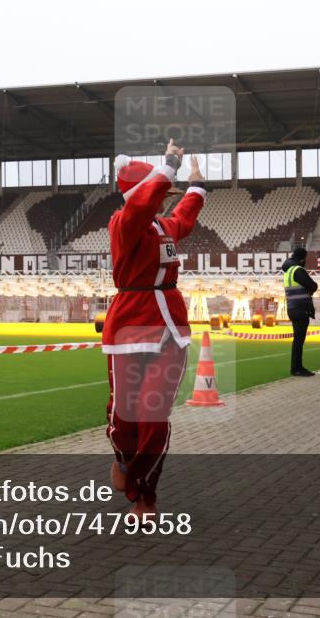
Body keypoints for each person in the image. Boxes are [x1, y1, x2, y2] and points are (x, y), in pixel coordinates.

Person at [103, 140, 206, 517]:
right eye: (160, 191)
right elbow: (142, 204)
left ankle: (145, 493)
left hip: (171, 328)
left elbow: (184, 218)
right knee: (122, 414)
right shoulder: (123, 223)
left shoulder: (162, 225)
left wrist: (197, 187)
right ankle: (124, 459)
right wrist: (169, 166)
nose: (164, 201)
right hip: (130, 325)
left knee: (154, 414)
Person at [281, 247, 319, 376]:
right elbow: (313, 286)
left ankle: (296, 367)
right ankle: (297, 368)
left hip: (292, 308)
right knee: (299, 340)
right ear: (302, 258)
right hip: (301, 308)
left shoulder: (288, 271)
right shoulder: (298, 270)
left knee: (297, 339)